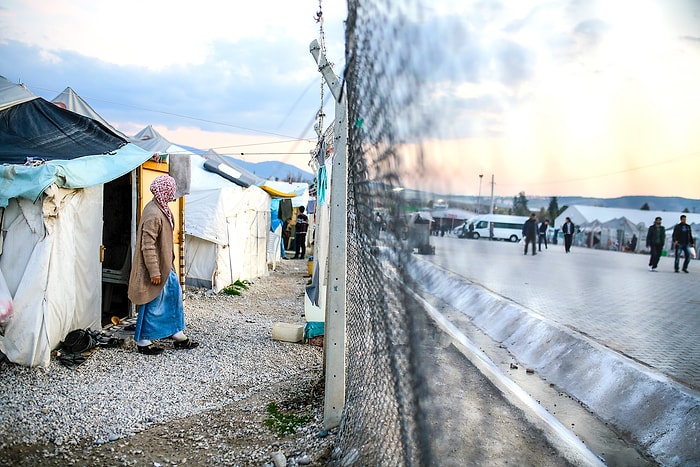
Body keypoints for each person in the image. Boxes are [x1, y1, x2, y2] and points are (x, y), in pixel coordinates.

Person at [128, 175, 199, 355]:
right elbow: (148, 245)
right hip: (158, 268)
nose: (173, 193)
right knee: (153, 303)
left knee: (173, 297)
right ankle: (144, 341)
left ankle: (177, 334)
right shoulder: (153, 213)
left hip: (166, 266)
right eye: (171, 190)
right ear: (165, 191)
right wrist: (154, 271)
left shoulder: (161, 208)